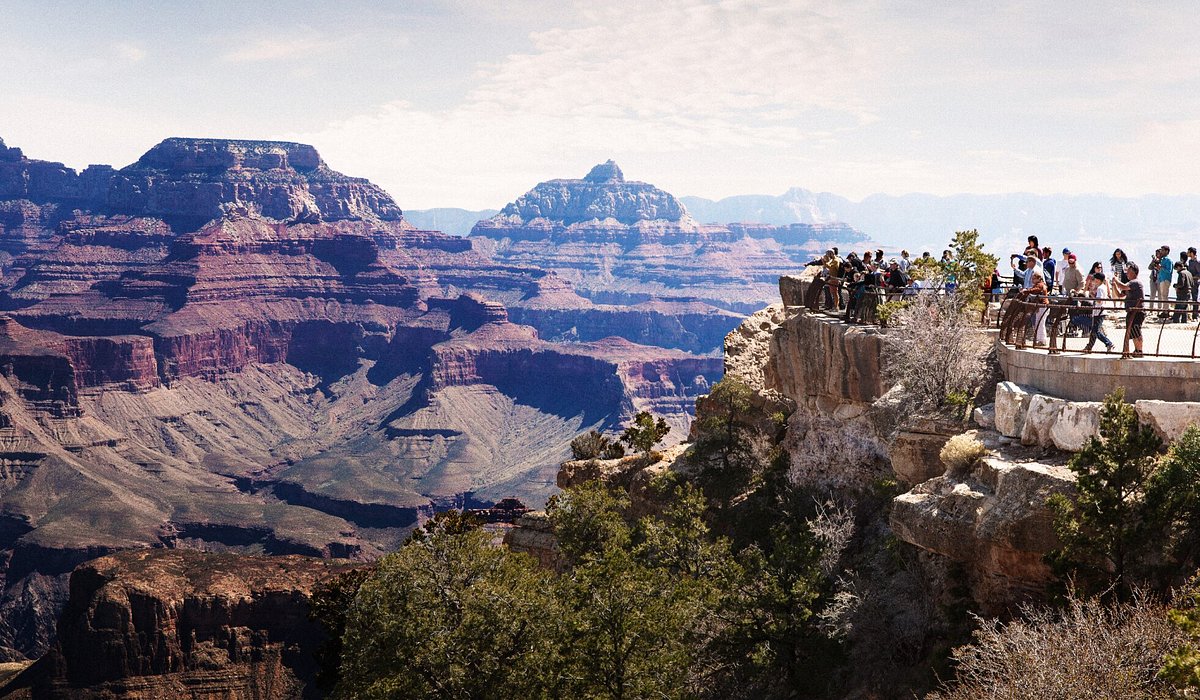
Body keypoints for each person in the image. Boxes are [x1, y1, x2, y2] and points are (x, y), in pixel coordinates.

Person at [1114, 263, 1145, 358]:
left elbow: (1122, 286)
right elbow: (1120, 295)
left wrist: (1116, 280)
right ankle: (1134, 350)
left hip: (1137, 311)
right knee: (1131, 331)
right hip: (1131, 311)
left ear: (1134, 272)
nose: (1127, 273)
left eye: (1129, 271)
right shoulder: (1130, 284)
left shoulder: (1135, 282)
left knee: (1136, 331)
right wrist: (1114, 285)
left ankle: (1139, 351)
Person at [1082, 272, 1115, 353]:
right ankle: (1089, 347)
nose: (1094, 281)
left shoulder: (1100, 288)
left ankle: (1109, 343)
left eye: (1095, 279)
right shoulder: (1103, 287)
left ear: (1098, 280)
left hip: (1099, 312)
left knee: (1095, 331)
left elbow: (1099, 300)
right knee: (1094, 331)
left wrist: (1092, 296)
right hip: (1099, 311)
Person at [1188, 247, 1200, 319]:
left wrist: (1192, 277)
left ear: (1192, 253)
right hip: (1190, 282)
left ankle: (1195, 315)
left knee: (1195, 299)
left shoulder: (1197, 262)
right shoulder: (1190, 261)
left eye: (1188, 252)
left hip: (1195, 283)